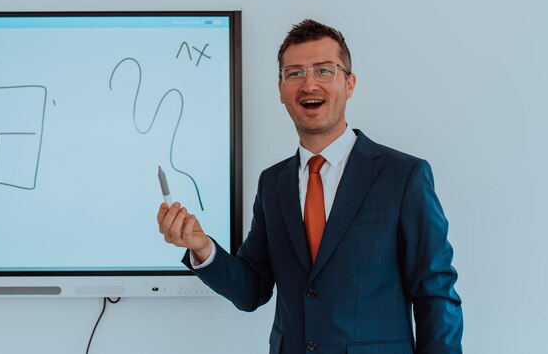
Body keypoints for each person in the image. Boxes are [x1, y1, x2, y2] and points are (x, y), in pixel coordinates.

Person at [157, 19, 463, 354]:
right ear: (281, 89)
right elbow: (252, 290)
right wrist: (202, 248)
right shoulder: (272, 184)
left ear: (349, 83)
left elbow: (435, 293)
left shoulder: (404, 176)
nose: (309, 84)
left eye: (324, 71)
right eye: (295, 73)